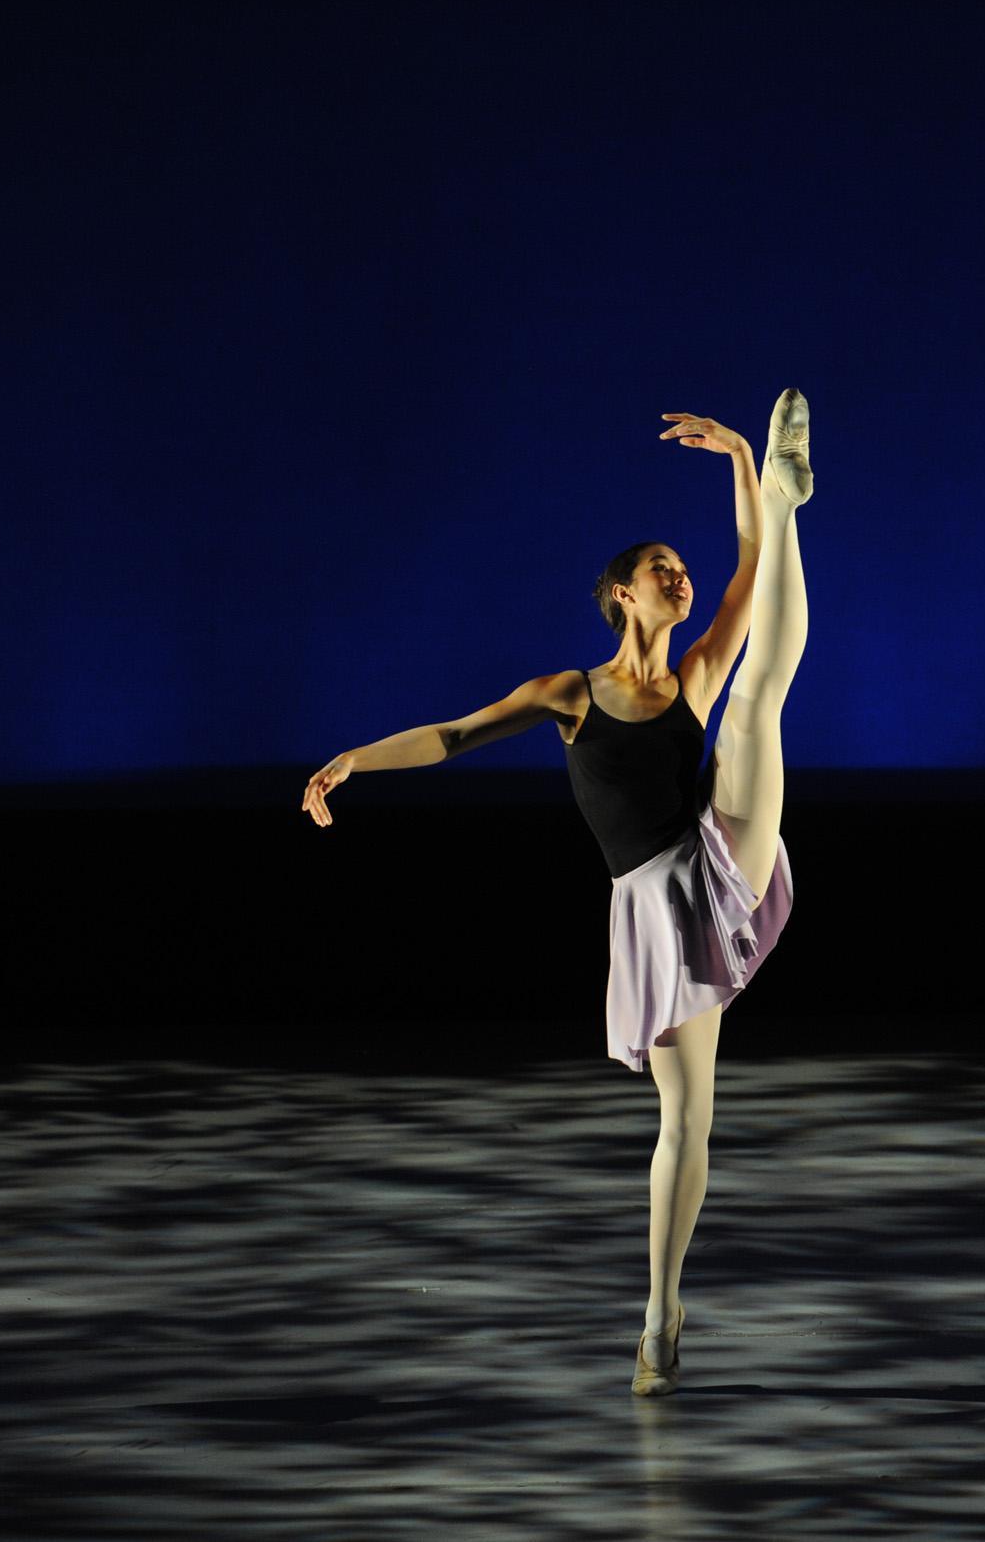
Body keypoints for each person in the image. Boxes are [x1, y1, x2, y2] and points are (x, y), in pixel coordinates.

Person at [300, 389, 814, 1396]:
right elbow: (452, 735)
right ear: (624, 594)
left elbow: (748, 575)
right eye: (659, 569)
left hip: (717, 855)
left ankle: (800, 498)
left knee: (757, 698)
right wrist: (355, 759)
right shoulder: (573, 693)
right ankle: (662, 1311)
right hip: (654, 913)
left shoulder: (693, 678)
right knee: (689, 1119)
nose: (680, 574)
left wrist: (751, 471)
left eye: (681, 566)